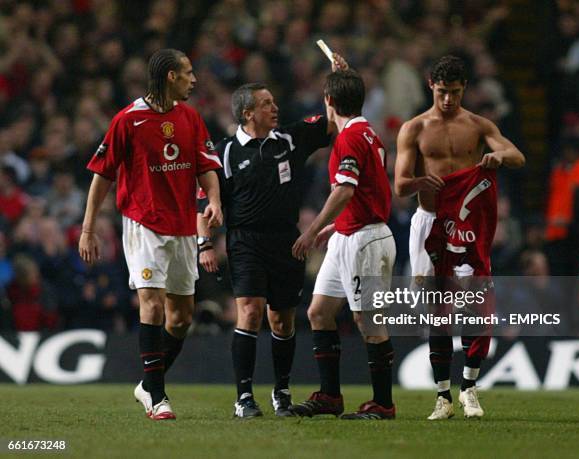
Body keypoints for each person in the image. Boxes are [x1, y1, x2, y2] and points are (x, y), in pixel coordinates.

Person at [197, 55, 348, 418]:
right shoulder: (223, 153)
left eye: (274, 102)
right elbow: (204, 203)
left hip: (287, 242)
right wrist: (205, 243)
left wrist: (338, 83)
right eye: (266, 104)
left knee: (282, 320)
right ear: (247, 113)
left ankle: (281, 392)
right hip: (245, 242)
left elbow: (332, 125)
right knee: (248, 313)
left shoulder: (290, 140)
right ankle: (244, 398)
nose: (275, 108)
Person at [79, 49, 223, 421]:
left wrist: (215, 201)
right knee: (153, 304)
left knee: (180, 317)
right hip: (144, 225)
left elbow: (206, 166)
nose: (194, 80)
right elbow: (102, 176)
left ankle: (147, 381)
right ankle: (158, 397)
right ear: (170, 77)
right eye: (188, 73)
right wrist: (88, 228)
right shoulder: (128, 120)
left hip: (182, 226)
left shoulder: (190, 118)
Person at [394, 55, 525, 420]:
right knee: (436, 311)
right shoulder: (414, 129)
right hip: (429, 221)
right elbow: (400, 185)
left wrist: (497, 156)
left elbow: (517, 156)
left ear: (464, 88)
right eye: (441, 92)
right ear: (429, 86)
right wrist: (421, 181)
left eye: (453, 92)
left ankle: (468, 388)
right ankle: (442, 395)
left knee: (473, 307)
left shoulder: (479, 125)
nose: (448, 100)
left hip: (466, 225)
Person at [289, 68, 397, 420]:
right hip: (349, 234)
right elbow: (370, 191)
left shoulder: (350, 139)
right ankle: (330, 397)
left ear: (329, 101)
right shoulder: (369, 135)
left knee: (367, 321)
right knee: (319, 312)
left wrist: (312, 229)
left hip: (365, 240)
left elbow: (346, 189)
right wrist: (335, 226)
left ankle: (383, 403)